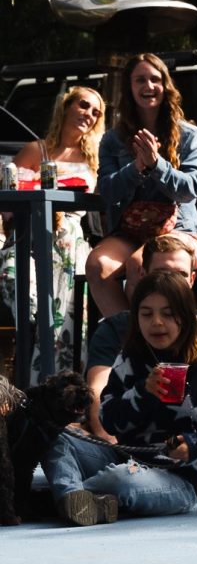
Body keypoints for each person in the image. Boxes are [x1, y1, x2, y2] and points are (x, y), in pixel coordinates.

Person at [42, 270, 197, 526]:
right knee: (58, 436)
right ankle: (76, 501)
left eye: (168, 314)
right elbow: (109, 420)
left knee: (123, 479)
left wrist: (196, 444)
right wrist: (143, 392)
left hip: (178, 479)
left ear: (185, 316)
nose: (156, 322)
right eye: (146, 314)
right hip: (126, 456)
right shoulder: (130, 358)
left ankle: (59, 498)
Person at [85, 53, 197, 317]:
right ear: (129, 88)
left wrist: (157, 165)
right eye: (140, 80)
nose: (148, 86)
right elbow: (107, 192)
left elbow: (189, 190)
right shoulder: (113, 139)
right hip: (130, 231)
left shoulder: (190, 136)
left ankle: (156, 345)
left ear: (166, 86)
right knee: (98, 265)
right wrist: (136, 169)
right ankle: (129, 345)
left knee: (140, 264)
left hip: (179, 228)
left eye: (155, 79)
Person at [0, 85, 105, 380]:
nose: (89, 115)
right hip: (26, 233)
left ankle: (56, 383)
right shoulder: (37, 149)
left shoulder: (95, 157)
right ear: (66, 106)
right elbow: (6, 195)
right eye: (83, 105)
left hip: (68, 238)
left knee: (68, 313)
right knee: (11, 274)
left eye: (96, 112)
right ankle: (34, 326)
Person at [84, 233, 197, 439]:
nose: (170, 283)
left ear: (192, 279)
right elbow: (98, 389)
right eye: (161, 273)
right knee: (59, 440)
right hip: (122, 443)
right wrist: (112, 445)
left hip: (184, 453)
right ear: (143, 275)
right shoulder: (116, 329)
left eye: (180, 274)